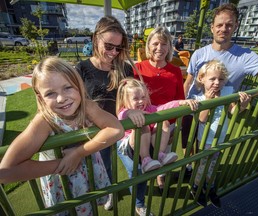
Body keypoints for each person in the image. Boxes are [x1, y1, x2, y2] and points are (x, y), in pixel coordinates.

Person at [0, 57, 124, 215]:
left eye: (67, 88)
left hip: (89, 178)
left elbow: (116, 129)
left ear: (79, 85)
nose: (61, 98)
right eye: (50, 93)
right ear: (40, 98)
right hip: (62, 186)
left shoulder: (87, 106)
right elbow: (5, 171)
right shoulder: (44, 121)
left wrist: (79, 153)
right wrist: (63, 163)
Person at [182, 3, 258, 166]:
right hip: (192, 109)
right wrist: (182, 106)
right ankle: (188, 169)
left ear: (235, 26)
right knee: (187, 146)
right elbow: (189, 81)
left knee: (208, 155)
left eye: (229, 25)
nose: (223, 29)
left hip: (218, 116)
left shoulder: (245, 56)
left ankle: (201, 181)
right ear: (212, 27)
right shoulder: (199, 53)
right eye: (219, 25)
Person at [76, 15, 136, 210]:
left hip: (123, 127)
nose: (113, 52)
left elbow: (133, 96)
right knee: (105, 166)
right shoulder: (82, 68)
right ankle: (109, 190)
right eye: (109, 46)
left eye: (118, 48)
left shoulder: (125, 68)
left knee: (136, 166)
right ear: (95, 39)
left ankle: (139, 199)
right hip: (98, 130)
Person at [190, 60, 251, 208]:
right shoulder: (199, 98)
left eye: (221, 79)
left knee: (214, 164)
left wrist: (242, 104)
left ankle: (209, 186)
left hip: (221, 137)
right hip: (205, 139)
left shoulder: (227, 92)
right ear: (202, 79)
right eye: (212, 79)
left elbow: (233, 111)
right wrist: (209, 101)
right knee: (203, 165)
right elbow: (201, 119)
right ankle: (197, 187)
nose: (217, 83)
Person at [133, 26, 185, 194]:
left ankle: (160, 177)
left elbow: (180, 100)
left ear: (170, 47)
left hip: (166, 125)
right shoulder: (138, 69)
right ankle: (141, 188)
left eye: (164, 44)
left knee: (164, 156)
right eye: (155, 43)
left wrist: (175, 128)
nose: (159, 48)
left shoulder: (175, 71)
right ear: (148, 46)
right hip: (143, 124)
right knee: (142, 159)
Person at [116, 78, 198, 173]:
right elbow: (121, 116)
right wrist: (130, 112)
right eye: (136, 99)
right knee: (142, 126)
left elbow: (164, 108)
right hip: (132, 147)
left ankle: (160, 154)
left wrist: (180, 102)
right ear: (124, 100)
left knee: (164, 122)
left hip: (147, 143)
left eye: (143, 97)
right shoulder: (124, 111)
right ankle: (145, 160)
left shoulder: (149, 108)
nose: (141, 101)